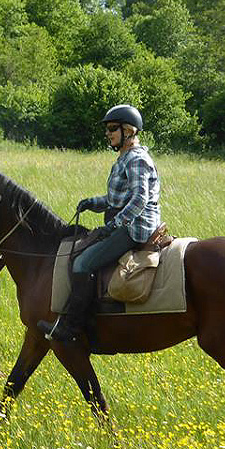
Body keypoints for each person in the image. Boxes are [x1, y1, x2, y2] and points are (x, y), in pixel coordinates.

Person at [38, 105, 161, 342]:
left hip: (135, 228)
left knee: (83, 264)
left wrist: (114, 225)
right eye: (107, 129)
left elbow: (139, 200)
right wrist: (93, 203)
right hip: (124, 223)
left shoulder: (137, 160)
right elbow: (116, 199)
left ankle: (72, 327)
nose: (108, 134)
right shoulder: (124, 158)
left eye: (112, 129)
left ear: (129, 131)